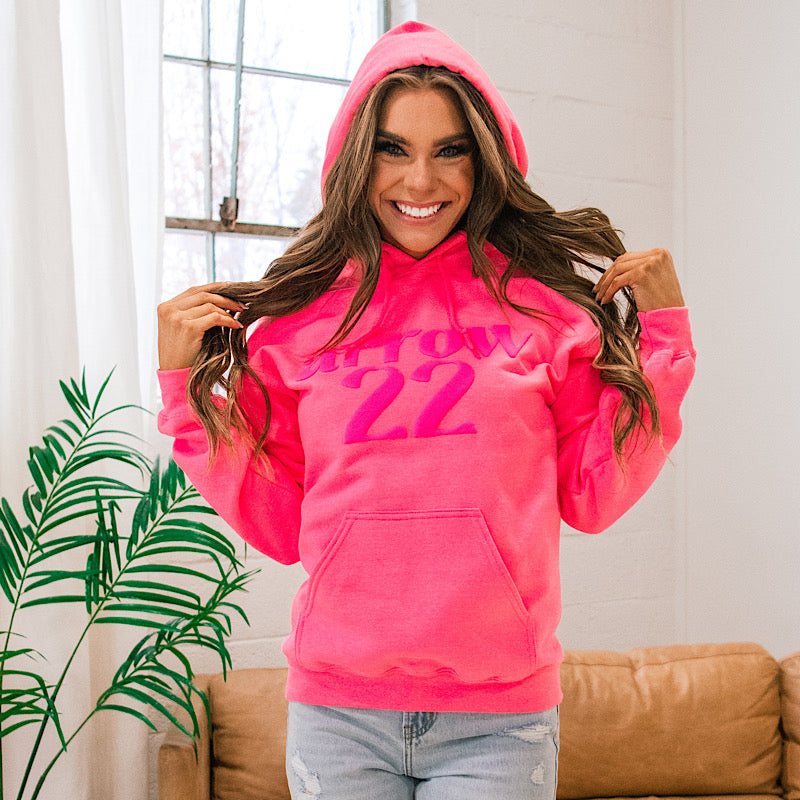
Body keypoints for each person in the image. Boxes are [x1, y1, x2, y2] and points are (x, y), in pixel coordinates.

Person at [156, 21, 695, 800]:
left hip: (499, 722)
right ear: (356, 158)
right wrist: (186, 396)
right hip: (338, 717)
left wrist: (665, 344)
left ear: (485, 159)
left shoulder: (542, 311)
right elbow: (280, 524)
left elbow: (593, 496)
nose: (420, 180)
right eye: (392, 149)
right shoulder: (298, 323)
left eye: (450, 150)